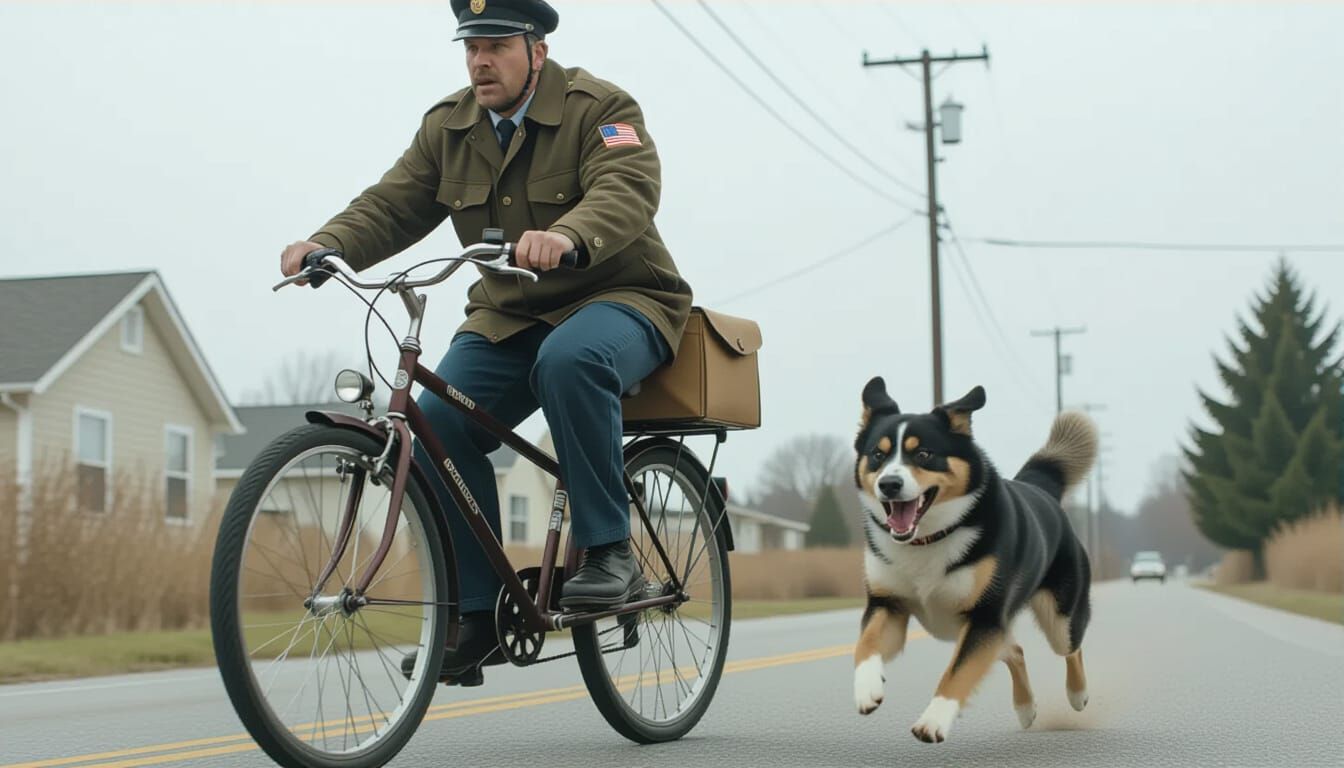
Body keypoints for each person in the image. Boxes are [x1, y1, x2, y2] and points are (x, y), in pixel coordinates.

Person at [278, 0, 692, 685]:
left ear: (537, 49)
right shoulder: (450, 127)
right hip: (507, 315)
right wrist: (330, 243)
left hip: (621, 299)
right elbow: (394, 202)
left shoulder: (601, 107)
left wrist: (567, 237)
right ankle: (476, 614)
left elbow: (627, 188)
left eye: (496, 45)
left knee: (571, 360)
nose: (480, 61)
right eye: (470, 46)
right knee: (435, 419)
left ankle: (610, 550)